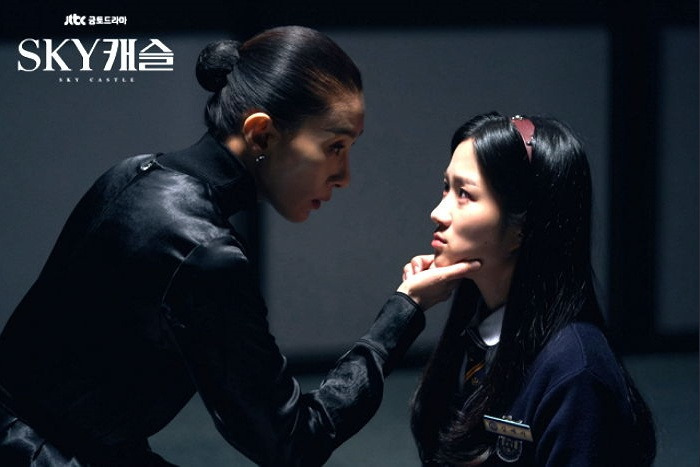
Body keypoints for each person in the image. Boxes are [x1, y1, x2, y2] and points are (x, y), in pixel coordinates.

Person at [0, 26, 477, 466]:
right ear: (261, 134)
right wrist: (404, 310)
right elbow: (293, 442)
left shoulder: (132, 172)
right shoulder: (204, 253)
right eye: (335, 147)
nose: (345, 177)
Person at [406, 112, 656, 466]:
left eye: (464, 194)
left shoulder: (576, 372)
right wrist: (407, 309)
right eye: (446, 187)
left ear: (522, 227)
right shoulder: (475, 330)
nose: (438, 212)